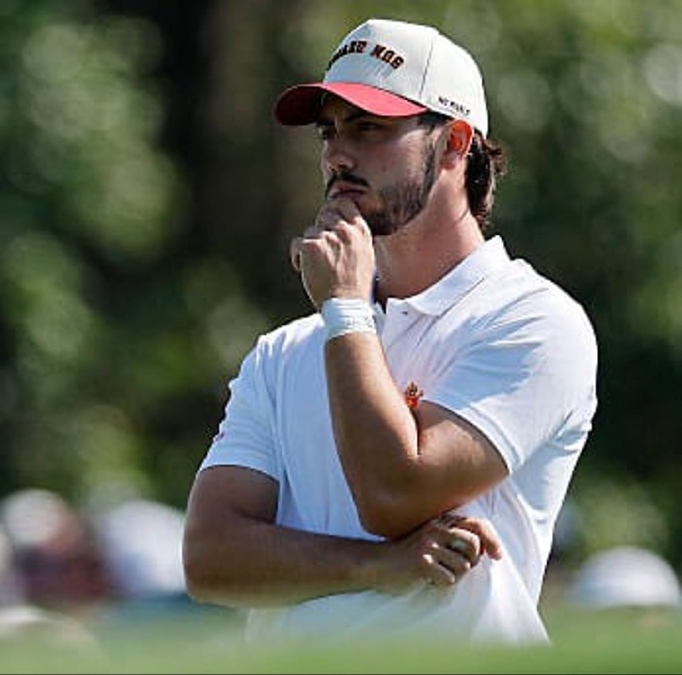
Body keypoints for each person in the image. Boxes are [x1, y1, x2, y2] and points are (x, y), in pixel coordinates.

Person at [183, 18, 598, 646]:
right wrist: (379, 567)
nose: (337, 155)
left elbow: (393, 493)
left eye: (370, 128)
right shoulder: (284, 351)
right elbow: (211, 559)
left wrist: (346, 309)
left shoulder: (536, 321)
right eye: (331, 130)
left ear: (456, 142)